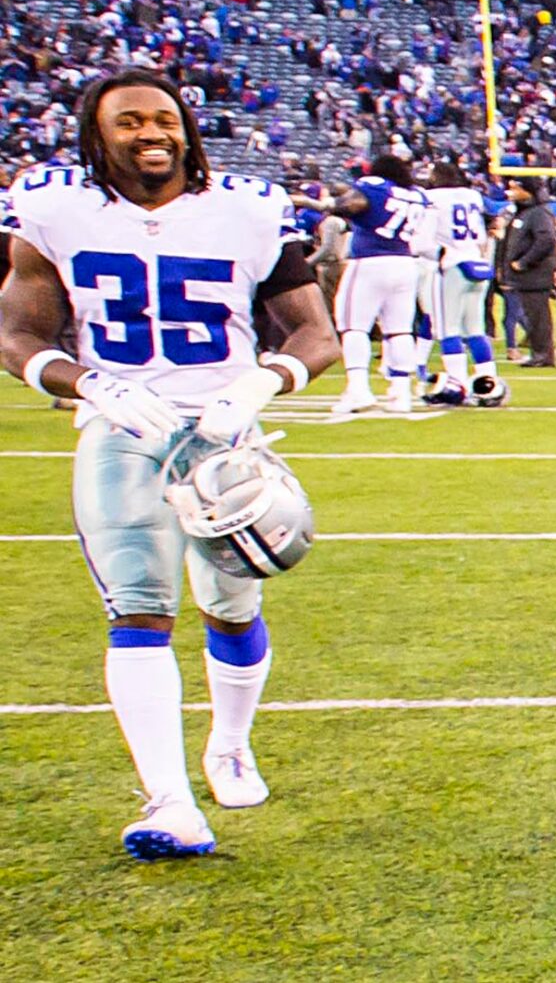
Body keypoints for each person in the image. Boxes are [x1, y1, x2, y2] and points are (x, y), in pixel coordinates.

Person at [0, 68, 344, 860]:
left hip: (223, 438)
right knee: (138, 611)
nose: (149, 134)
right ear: (97, 134)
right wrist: (90, 384)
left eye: (163, 119)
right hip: (123, 428)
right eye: (128, 123)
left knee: (231, 606)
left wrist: (260, 382)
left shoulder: (247, 209)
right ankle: (170, 802)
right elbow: (17, 334)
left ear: (187, 126)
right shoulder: (55, 208)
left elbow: (313, 334)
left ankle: (228, 743)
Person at [325, 150, 429, 417]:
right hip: (404, 262)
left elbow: (349, 205)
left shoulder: (373, 186)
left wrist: (328, 202)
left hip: (370, 261)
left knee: (353, 327)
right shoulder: (416, 194)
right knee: (400, 330)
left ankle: (358, 389)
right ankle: (401, 392)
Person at [420, 161, 504, 405]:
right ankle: (489, 384)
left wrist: (432, 253)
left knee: (449, 330)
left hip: (451, 265)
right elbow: (492, 219)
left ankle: (457, 385)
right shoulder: (473, 195)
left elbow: (423, 240)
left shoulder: (430, 197)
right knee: (476, 331)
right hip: (476, 264)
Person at [499, 176, 556, 366]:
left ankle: (543, 355)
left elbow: (546, 240)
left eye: (515, 188)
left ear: (527, 190)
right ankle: (539, 353)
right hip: (524, 276)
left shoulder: (538, 213)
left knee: (538, 316)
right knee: (531, 315)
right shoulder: (523, 213)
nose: (511, 192)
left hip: (535, 275)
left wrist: (524, 262)